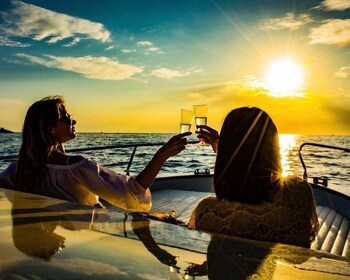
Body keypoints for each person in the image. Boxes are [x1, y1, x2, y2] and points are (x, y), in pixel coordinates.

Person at [0, 96, 191, 212]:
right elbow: (131, 194)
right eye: (65, 117)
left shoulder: (17, 169)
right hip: (86, 237)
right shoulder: (78, 168)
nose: (72, 120)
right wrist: (162, 155)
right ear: (50, 128)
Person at [188, 106, 319, 248]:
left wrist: (224, 152)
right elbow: (299, 257)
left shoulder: (209, 212)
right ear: (273, 149)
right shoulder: (298, 194)